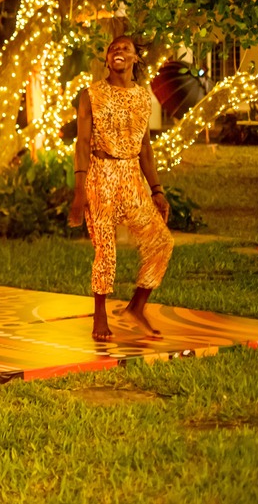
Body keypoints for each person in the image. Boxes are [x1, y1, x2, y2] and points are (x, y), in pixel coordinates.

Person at [68, 34, 173, 342]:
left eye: (125, 48)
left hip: (131, 176)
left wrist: (157, 190)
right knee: (105, 247)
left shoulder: (143, 97)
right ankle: (99, 313)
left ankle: (136, 307)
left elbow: (145, 147)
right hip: (101, 174)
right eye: (113, 48)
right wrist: (79, 190)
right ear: (107, 58)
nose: (118, 51)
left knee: (161, 241)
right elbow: (82, 142)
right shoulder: (91, 94)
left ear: (135, 58)